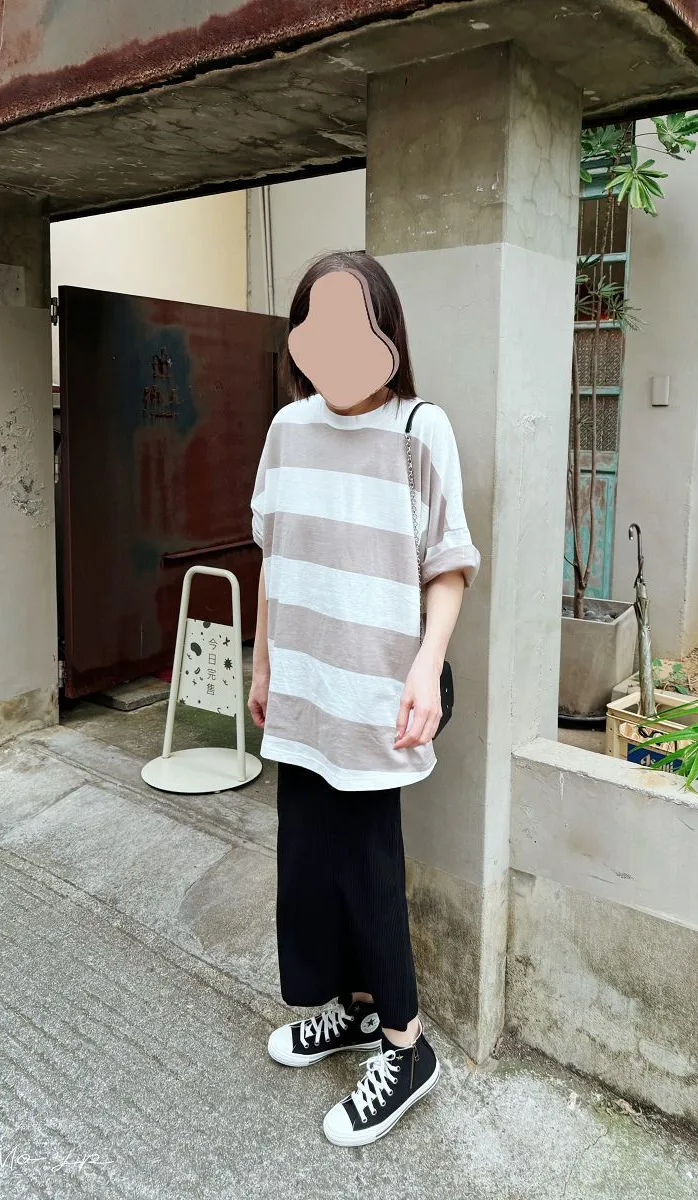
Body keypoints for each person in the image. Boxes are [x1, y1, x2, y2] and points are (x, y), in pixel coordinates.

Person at [247, 250, 480, 1147]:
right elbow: (274, 559)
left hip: (378, 688)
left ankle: (406, 1046)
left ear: (387, 334)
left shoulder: (420, 429)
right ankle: (350, 1009)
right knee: (309, 858)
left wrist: (426, 667)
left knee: (368, 863)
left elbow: (448, 564)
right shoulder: (286, 429)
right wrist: (263, 666)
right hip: (304, 684)